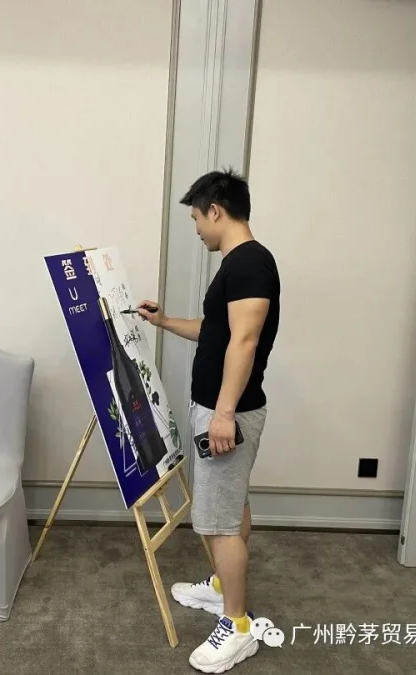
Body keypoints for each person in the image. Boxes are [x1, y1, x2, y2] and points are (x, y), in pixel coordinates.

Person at [137, 169, 280, 673]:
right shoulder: (238, 265)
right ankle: (222, 587)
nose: (197, 229)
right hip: (224, 409)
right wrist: (163, 321)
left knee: (218, 522)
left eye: (197, 218)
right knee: (232, 506)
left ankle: (237, 626)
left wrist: (222, 414)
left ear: (215, 211)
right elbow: (216, 331)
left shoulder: (249, 264)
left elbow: (245, 341)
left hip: (229, 413)